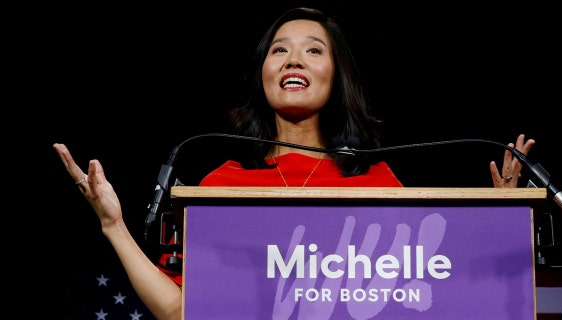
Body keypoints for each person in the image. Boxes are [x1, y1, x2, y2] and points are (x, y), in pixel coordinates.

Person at [53, 7, 535, 320]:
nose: (293, 60)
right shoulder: (222, 184)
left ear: (336, 76)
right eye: (279, 50)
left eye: (313, 50)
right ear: (263, 72)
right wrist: (113, 225)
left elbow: (431, 300)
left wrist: (499, 225)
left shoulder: (378, 182)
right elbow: (180, 310)